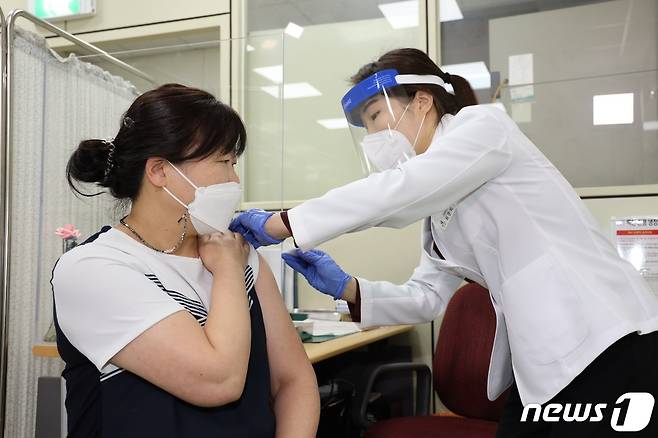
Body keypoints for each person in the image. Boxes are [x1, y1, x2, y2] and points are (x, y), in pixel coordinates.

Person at [229, 48, 658, 437]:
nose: (372, 136)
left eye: (376, 116)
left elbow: (399, 190)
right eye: (364, 127)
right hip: (547, 363)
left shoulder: (482, 128)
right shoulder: (437, 202)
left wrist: (283, 223)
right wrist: (349, 289)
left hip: (606, 337)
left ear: (422, 100)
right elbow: (430, 295)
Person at [52, 84, 319, 438]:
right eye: (223, 162)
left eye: (234, 163)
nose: (234, 179)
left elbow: (293, 380)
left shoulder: (242, 255)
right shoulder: (93, 268)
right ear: (160, 171)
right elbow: (217, 380)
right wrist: (226, 271)